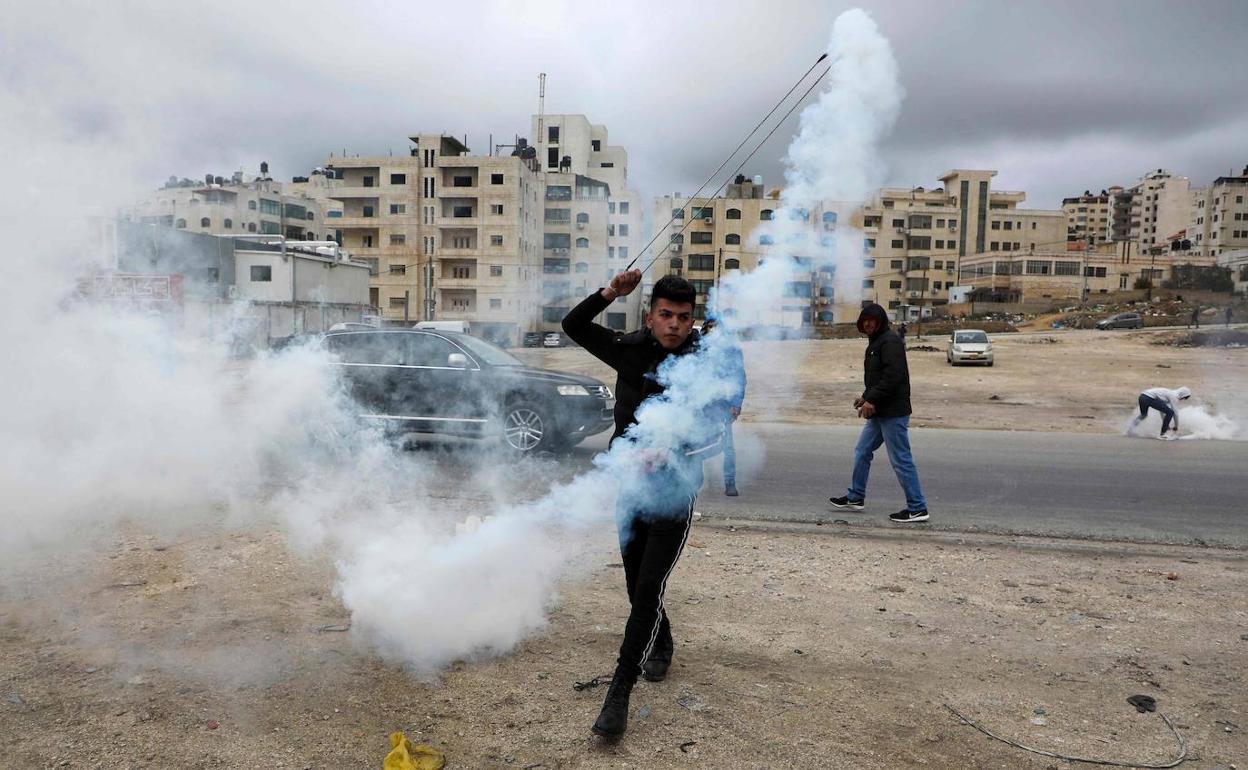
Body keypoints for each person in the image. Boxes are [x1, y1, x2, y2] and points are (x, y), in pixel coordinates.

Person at [562, 270, 707, 740]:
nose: (674, 325)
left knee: (648, 588)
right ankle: (661, 640)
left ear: (692, 321)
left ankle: (619, 693)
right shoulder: (628, 349)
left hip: (674, 492)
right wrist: (609, 293)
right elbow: (573, 326)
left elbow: (717, 435)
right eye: (666, 315)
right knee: (634, 582)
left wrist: (674, 451)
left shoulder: (705, 362)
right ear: (650, 316)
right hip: (629, 488)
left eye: (683, 318)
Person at [828, 303, 930, 523]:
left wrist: (872, 399)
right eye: (865, 321)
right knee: (862, 450)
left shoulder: (890, 341)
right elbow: (877, 378)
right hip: (879, 411)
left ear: (880, 321)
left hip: (892, 412)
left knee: (901, 459)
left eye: (872, 320)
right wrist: (866, 397)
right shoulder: (875, 343)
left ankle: (918, 507)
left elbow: (894, 376)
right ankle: (856, 497)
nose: (868, 324)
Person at [700, 317, 746, 496]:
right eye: (710, 327)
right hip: (702, 403)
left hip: (724, 404)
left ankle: (730, 482)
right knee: (698, 442)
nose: (713, 330)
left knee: (727, 446)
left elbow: (739, 377)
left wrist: (736, 403)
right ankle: (697, 478)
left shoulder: (732, 349)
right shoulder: (699, 346)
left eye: (716, 327)